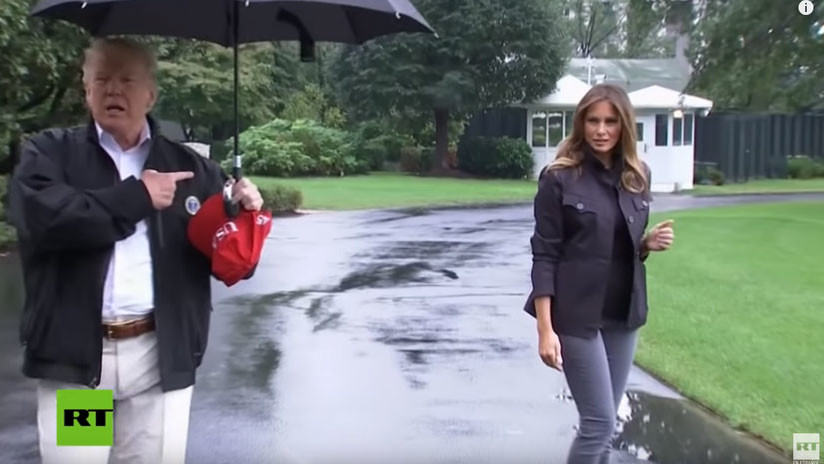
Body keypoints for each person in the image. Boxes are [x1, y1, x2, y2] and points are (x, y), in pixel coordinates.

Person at [8, 37, 263, 464]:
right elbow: (47, 221)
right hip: (81, 366)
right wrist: (138, 198)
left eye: (127, 80)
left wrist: (244, 218)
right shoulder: (51, 154)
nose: (113, 90)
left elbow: (229, 264)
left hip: (156, 362)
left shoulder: (193, 170)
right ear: (85, 89)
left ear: (151, 94)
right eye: (102, 79)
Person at [524, 84, 675, 464]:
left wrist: (644, 244)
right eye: (593, 120)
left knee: (605, 431)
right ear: (581, 124)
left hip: (623, 315)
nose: (602, 130)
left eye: (610, 121)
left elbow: (617, 243)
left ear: (624, 126)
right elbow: (544, 253)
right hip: (575, 316)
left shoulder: (638, 176)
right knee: (599, 424)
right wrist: (546, 328)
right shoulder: (559, 178)